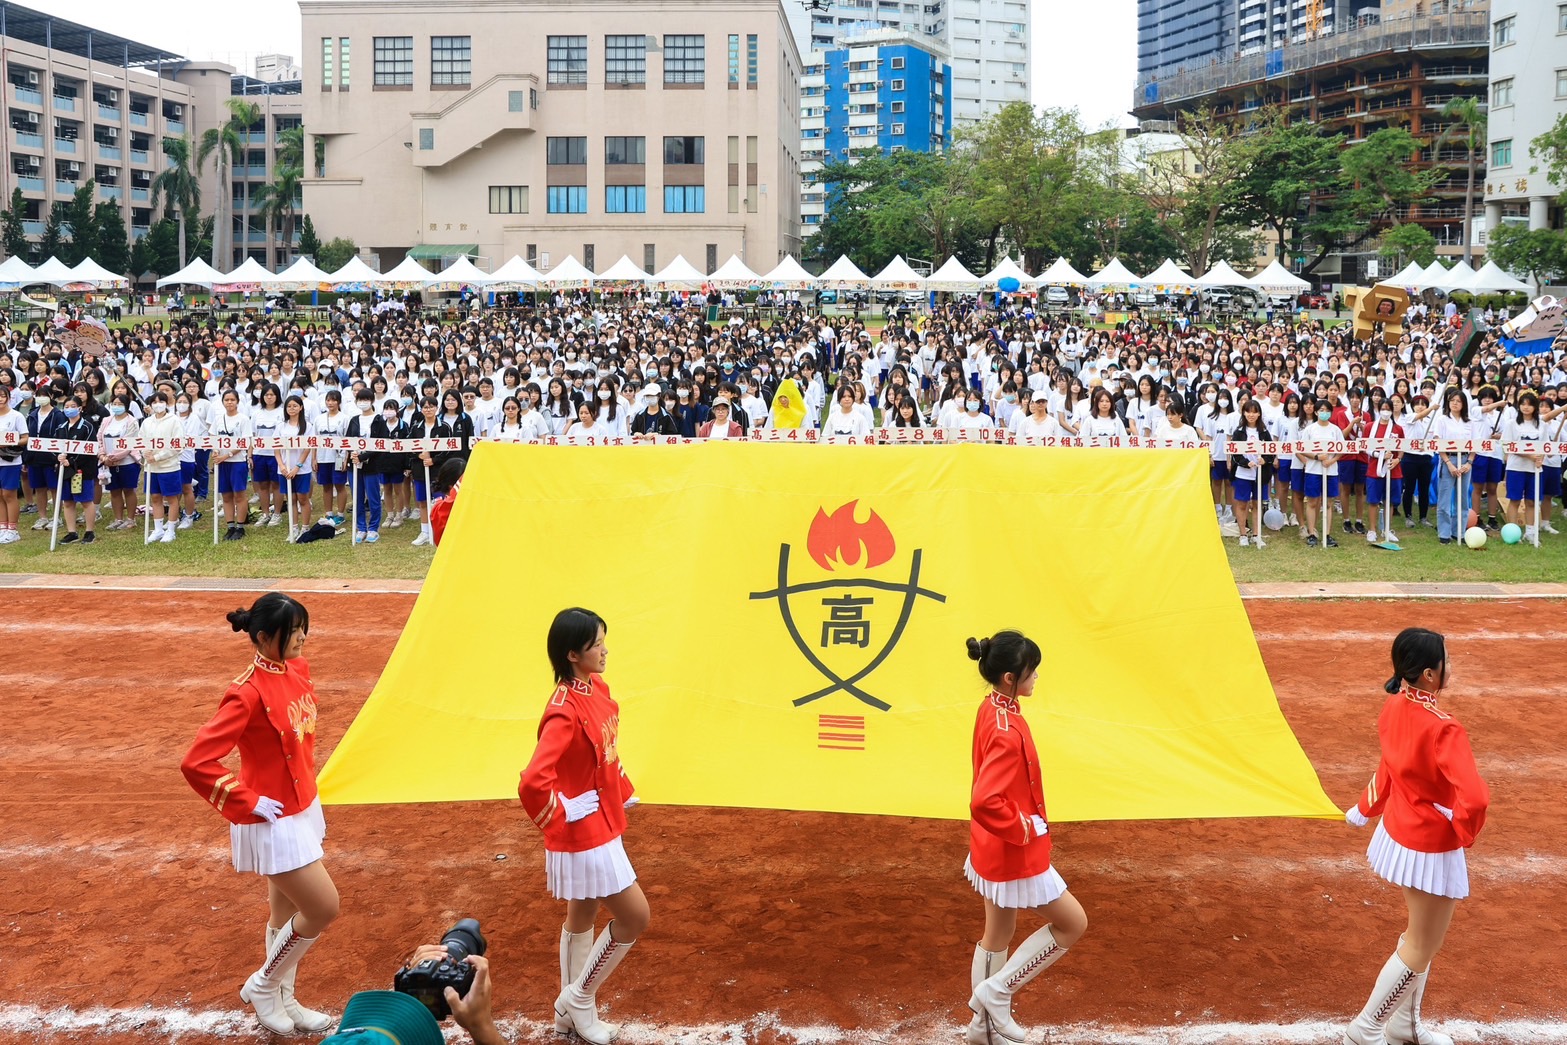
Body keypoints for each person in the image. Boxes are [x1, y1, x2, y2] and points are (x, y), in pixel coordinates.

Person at [180, 594, 338, 1036]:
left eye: (305, 626)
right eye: (294, 630)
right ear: (265, 637)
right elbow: (197, 761)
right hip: (272, 820)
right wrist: (245, 801)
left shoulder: (296, 670)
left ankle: (286, 997)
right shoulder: (245, 693)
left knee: (282, 915)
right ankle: (266, 985)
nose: (303, 637)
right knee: (323, 907)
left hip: (303, 808)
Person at [1341, 628, 1489, 1045]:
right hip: (1429, 843)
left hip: (1398, 832)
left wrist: (1366, 806)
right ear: (1428, 673)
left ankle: (1403, 1026)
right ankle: (1365, 1028)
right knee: (1422, 944)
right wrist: (1462, 831)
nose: (1449, 667)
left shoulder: (1393, 706)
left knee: (1419, 937)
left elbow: (1388, 766)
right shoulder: (1444, 728)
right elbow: (1474, 798)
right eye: (1445, 661)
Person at [519, 608, 646, 1045]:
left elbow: (606, 749)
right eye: (596, 644)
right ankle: (578, 999)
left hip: (604, 820)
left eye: (604, 640)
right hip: (585, 834)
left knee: (583, 915)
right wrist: (563, 811)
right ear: (573, 654)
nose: (605, 649)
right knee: (634, 917)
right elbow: (534, 780)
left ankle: (569, 1013)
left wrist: (622, 786)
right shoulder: (563, 711)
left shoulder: (597, 687)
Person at [962, 631, 1086, 1045]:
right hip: (1012, 850)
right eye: (1032, 671)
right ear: (1011, 677)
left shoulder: (992, 708)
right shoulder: (1005, 728)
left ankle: (982, 1031)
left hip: (989, 848)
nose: (1037, 677)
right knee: (1072, 924)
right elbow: (984, 799)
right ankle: (997, 994)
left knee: (996, 934)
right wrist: (1024, 827)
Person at [139, 390, 184, 544]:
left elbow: (178, 445)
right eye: (155, 402)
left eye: (161, 401)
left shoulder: (174, 421)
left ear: (166, 403)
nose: (158, 405)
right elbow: (140, 441)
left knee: (171, 498)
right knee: (155, 498)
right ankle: (158, 529)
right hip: (151, 468)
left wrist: (157, 457)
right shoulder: (147, 422)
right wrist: (145, 454)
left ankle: (170, 530)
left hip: (168, 466)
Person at [210, 388, 254, 542]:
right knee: (226, 495)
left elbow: (245, 442)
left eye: (232, 400)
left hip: (237, 462)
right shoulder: (218, 419)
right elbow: (213, 436)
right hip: (222, 463)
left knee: (239, 494)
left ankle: (240, 526)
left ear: (237, 402)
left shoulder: (243, 419)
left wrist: (227, 455)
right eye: (226, 400)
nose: (229, 402)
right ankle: (230, 526)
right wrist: (215, 451)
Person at [0, 390, 26, 543]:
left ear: (9, 398)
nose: (0, 399)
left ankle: (13, 529)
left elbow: (25, 438)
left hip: (10, 461)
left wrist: (9, 442)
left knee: (9, 495)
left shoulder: (16, 416)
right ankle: (2, 527)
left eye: (3, 396)